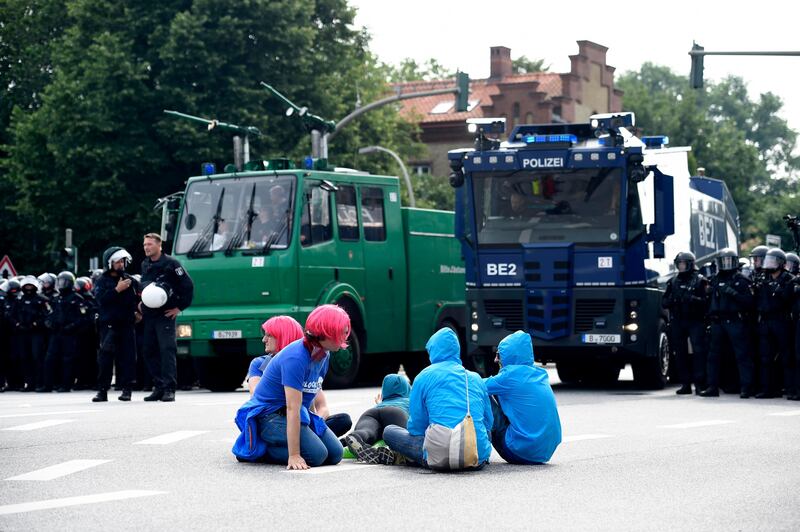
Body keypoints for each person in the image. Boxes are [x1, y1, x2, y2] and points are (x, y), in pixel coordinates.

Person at [232, 304, 350, 469]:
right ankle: (257, 449)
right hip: (269, 416)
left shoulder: (324, 355)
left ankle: (300, 445)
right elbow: (292, 407)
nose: (346, 336)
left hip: (293, 414)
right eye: (343, 332)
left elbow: (310, 397)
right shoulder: (296, 357)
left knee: (335, 453)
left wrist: (315, 427)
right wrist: (294, 455)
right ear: (328, 331)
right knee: (317, 456)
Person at [381, 327, 493, 469]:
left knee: (389, 431)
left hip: (439, 456)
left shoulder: (423, 377)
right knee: (483, 432)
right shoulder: (475, 378)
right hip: (476, 456)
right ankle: (480, 453)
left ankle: (409, 457)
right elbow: (489, 423)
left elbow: (416, 427)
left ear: (433, 351)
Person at [484, 331, 561, 464]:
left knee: (483, 395)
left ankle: (477, 448)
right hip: (544, 452)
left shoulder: (509, 376)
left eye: (498, 355)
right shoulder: (540, 374)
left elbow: (473, 385)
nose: (495, 360)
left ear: (509, 355)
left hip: (519, 451)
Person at [141, 233, 194, 402]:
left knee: (166, 350)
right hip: (150, 314)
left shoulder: (172, 264)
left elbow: (187, 285)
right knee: (149, 350)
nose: (146, 247)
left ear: (159, 245)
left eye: (149, 244)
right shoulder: (145, 264)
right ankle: (159, 386)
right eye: (144, 245)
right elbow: (144, 286)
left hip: (166, 314)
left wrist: (179, 308)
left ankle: (169, 388)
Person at [700, 249, 755, 398]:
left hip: (735, 320)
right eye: (724, 261)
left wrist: (733, 293)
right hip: (718, 321)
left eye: (730, 261)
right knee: (713, 356)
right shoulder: (714, 280)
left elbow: (749, 302)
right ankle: (712, 386)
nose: (727, 264)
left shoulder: (742, 280)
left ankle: (746, 387)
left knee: (742, 355)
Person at [92, 247, 140, 402]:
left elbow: (137, 299)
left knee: (128, 357)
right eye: (117, 261)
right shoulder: (102, 281)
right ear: (109, 263)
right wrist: (117, 290)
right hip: (109, 325)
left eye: (122, 261)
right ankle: (102, 391)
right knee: (105, 358)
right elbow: (101, 300)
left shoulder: (130, 280)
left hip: (127, 324)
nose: (121, 264)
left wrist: (139, 311)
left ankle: (127, 390)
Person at [662, 251, 710, 395]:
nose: (681, 267)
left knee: (699, 352)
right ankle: (685, 384)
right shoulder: (673, 281)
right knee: (679, 353)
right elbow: (664, 302)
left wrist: (693, 299)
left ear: (690, 264)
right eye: (679, 264)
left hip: (695, 321)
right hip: (678, 321)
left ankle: (700, 384)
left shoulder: (701, 280)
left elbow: (708, 302)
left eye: (683, 264)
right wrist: (674, 300)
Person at [754, 248, 795, 399]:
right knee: (765, 357)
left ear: (781, 263)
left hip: (781, 321)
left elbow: (787, 300)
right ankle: (768, 389)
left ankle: (790, 388)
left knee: (786, 356)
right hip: (765, 321)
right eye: (768, 260)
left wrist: (779, 290)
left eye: (773, 261)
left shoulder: (788, 279)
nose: (769, 264)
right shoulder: (764, 278)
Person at [344, 373, 411, 463]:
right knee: (401, 436)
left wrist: (380, 403)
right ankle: (390, 451)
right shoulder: (409, 401)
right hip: (396, 412)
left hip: (371, 413)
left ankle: (357, 436)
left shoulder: (380, 404)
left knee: (367, 431)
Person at [44, 272, 90, 392]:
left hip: (70, 334)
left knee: (67, 360)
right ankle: (48, 384)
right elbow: (50, 314)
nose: (60, 284)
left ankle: (66, 385)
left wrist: (72, 326)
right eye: (59, 281)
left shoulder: (77, 299)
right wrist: (49, 322)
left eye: (63, 282)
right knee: (50, 358)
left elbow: (83, 318)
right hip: (56, 333)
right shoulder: (56, 298)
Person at [9, 276, 50, 392]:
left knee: (37, 357)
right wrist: (17, 324)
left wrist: (36, 324)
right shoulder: (19, 300)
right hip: (22, 333)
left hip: (36, 333)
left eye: (30, 286)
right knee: (24, 358)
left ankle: (39, 383)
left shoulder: (42, 299)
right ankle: (29, 383)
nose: (28, 288)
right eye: (26, 286)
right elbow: (11, 315)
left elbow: (47, 315)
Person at [246, 316, 304, 394]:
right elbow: (257, 396)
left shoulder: (306, 363)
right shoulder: (260, 364)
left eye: (269, 335)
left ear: (283, 336)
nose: (264, 340)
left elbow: (320, 404)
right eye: (264, 335)